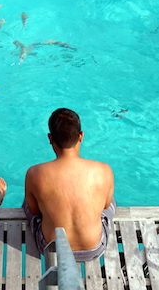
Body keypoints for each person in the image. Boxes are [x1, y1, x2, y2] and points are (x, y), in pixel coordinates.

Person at [23, 108, 115, 261]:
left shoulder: (34, 173)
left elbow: (33, 211)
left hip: (51, 249)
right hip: (93, 249)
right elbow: (105, 206)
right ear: (81, 136)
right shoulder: (103, 170)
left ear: (50, 138)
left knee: (28, 201)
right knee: (110, 201)